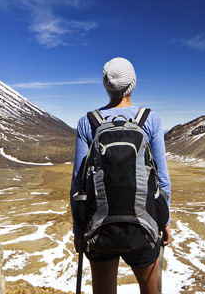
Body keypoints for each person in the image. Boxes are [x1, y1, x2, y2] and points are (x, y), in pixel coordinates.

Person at [71, 57, 172, 294]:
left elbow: (78, 183)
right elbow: (162, 179)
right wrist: (164, 221)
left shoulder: (88, 122)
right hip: (144, 222)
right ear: (133, 84)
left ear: (106, 85)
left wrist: (78, 230)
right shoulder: (150, 119)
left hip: (99, 226)